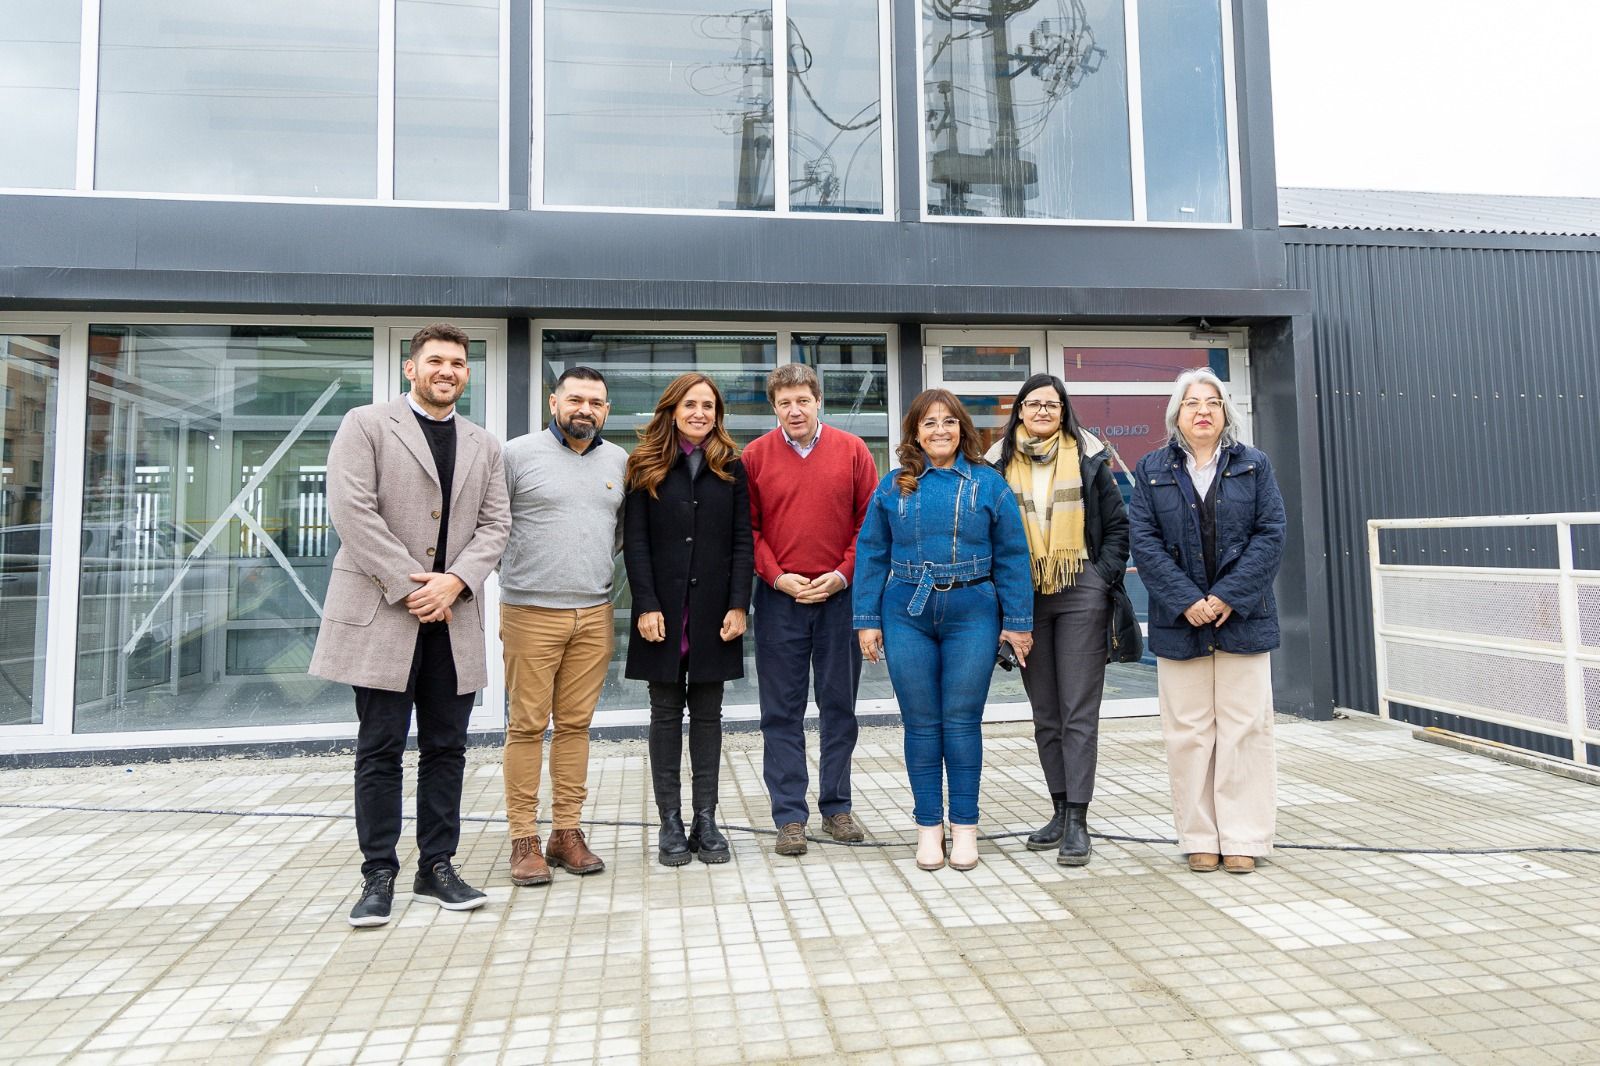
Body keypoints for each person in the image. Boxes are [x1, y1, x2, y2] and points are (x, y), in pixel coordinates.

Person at [311, 323, 511, 928]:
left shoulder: (483, 444)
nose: (447, 371)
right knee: (380, 749)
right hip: (385, 615)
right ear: (411, 368)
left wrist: (456, 581)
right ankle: (379, 874)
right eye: (435, 361)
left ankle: (437, 866)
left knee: (447, 749)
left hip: (454, 617)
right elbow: (352, 511)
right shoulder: (366, 425)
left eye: (457, 363)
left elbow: (496, 525)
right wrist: (413, 586)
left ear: (467, 373)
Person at [852, 389, 1032, 873]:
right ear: (915, 431)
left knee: (962, 720)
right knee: (920, 722)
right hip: (906, 611)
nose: (939, 430)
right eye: (929, 422)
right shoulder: (893, 486)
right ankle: (928, 828)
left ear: (962, 429)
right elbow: (870, 552)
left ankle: (966, 828)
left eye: (948, 421)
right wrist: (866, 620)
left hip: (973, 612)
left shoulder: (988, 484)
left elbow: (1013, 555)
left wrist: (1017, 624)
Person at [1127, 367, 1285, 875]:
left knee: (1245, 729)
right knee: (1189, 732)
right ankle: (1199, 836)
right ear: (1177, 414)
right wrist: (1187, 600)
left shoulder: (1253, 465)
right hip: (1181, 621)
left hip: (1243, 616)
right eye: (1192, 403)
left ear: (1225, 413)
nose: (1202, 411)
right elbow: (1144, 542)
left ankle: (1243, 837)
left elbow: (1271, 534)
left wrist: (1226, 597)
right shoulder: (1151, 469)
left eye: (1212, 403)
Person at [985, 373, 1129, 867]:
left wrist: (1101, 578)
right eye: (1033, 404)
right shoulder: (997, 463)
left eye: (1052, 404)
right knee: (1045, 712)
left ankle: (1079, 822)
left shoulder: (1089, 458)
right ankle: (1059, 810)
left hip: (1080, 588)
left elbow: (1118, 526)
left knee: (1077, 712)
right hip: (1024, 596)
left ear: (1063, 411)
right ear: (1020, 411)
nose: (1042, 411)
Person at [498, 366, 628, 885]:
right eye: (575, 399)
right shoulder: (516, 455)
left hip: (594, 612)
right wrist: (517, 575)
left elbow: (618, 533)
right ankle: (523, 838)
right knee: (527, 726)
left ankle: (566, 832)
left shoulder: (619, 461)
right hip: (530, 611)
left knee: (575, 726)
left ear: (606, 410)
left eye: (595, 402)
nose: (585, 410)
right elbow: (491, 526)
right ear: (554, 403)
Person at [743, 363, 878, 857]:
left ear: (818, 401)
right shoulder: (755, 457)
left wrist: (842, 574)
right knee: (781, 712)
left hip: (839, 599)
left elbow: (870, 525)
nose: (794, 410)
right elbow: (748, 530)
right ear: (774, 407)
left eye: (803, 400)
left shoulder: (853, 451)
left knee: (838, 707)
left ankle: (837, 806)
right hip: (780, 600)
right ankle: (789, 816)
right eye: (784, 403)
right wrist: (777, 576)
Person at [623, 374, 754, 866]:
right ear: (672, 410)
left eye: (708, 406)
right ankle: (671, 822)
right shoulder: (645, 465)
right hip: (661, 611)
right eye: (690, 404)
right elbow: (635, 542)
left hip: (714, 613)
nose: (700, 413)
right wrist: (646, 604)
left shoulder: (732, 467)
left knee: (708, 715)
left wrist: (738, 604)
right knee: (663, 715)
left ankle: (705, 819)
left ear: (718, 414)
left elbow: (742, 541)